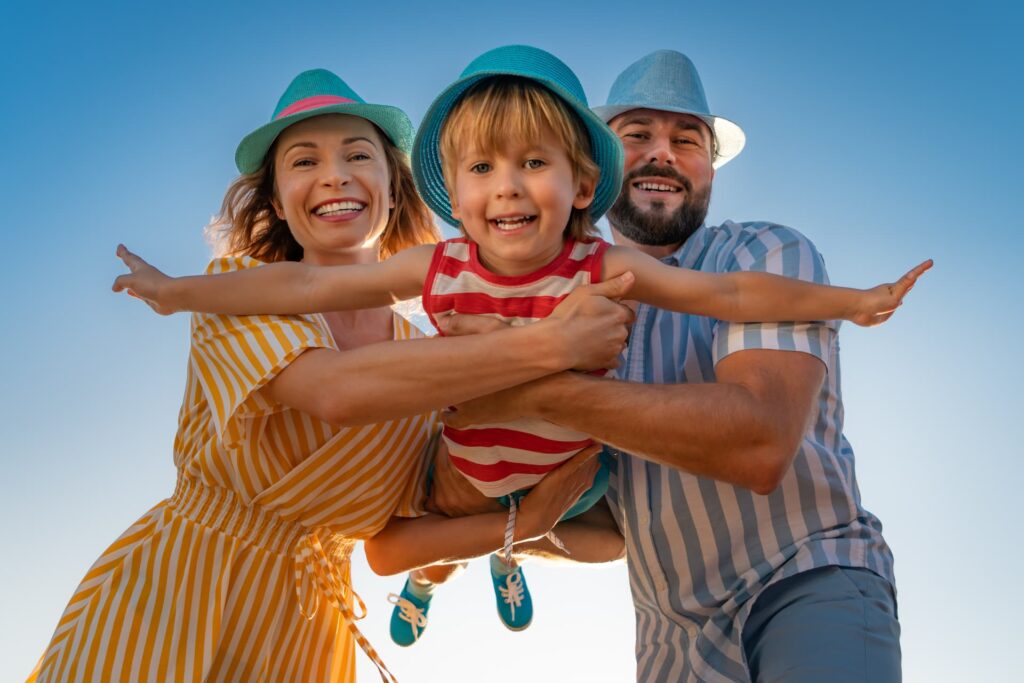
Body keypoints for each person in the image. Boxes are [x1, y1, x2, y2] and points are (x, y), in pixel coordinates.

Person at [111, 46, 927, 658]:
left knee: (589, 511)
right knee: (470, 498)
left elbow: (741, 337)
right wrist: (176, 290)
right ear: (454, 195)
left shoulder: (687, 261)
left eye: (687, 139)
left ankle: (501, 554)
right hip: (653, 612)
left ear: (580, 181)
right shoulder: (462, 281)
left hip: (775, 565)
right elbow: (301, 302)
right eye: (638, 131)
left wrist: (853, 302)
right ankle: (475, 564)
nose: (506, 185)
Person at [29, 67, 633, 683]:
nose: (334, 174)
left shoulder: (424, 355)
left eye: (358, 153)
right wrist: (551, 341)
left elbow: (391, 545)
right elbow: (335, 391)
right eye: (303, 160)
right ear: (277, 201)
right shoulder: (235, 293)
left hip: (306, 641)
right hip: (174, 598)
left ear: (394, 189)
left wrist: (520, 528)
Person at [437, 49, 911, 682]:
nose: (663, 152)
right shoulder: (558, 306)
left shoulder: (765, 254)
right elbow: (605, 510)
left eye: (687, 140)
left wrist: (530, 391)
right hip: (667, 641)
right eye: (638, 135)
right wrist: (506, 525)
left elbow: (758, 443)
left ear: (709, 169)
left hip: (807, 578)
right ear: (594, 167)